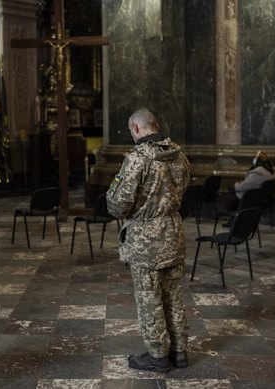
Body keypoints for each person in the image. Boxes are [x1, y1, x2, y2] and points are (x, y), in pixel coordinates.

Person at [106, 108, 190, 372]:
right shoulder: (179, 155)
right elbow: (185, 186)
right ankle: (180, 352)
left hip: (146, 241)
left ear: (136, 129)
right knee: (173, 294)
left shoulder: (137, 159)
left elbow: (117, 204)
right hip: (173, 233)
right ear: (157, 124)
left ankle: (157, 356)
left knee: (149, 297)